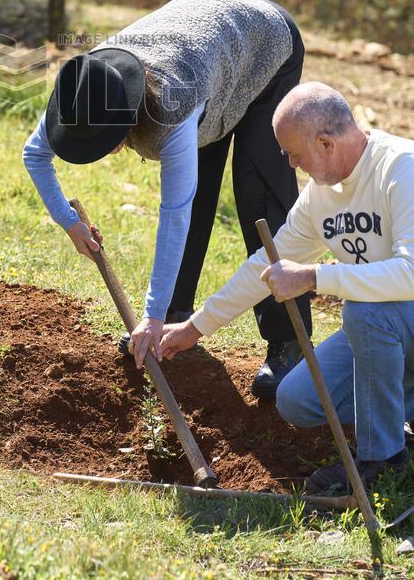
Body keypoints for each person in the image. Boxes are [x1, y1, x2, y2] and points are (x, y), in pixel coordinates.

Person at [23, 0, 312, 398]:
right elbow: (35, 155)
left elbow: (175, 211)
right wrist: (69, 222)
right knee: (198, 183)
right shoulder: (84, 87)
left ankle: (289, 345)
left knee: (258, 194)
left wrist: (149, 314)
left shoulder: (172, 110)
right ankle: (175, 314)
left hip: (264, 44)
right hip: (210, 56)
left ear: (126, 125)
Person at [161, 81, 414, 494]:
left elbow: (410, 273)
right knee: (297, 399)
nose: (292, 164)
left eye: (295, 153)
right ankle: (399, 409)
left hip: (395, 319)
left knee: (365, 312)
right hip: (390, 333)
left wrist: (315, 276)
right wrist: (193, 328)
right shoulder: (320, 196)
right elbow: (266, 263)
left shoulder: (401, 167)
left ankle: (382, 458)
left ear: (326, 143)